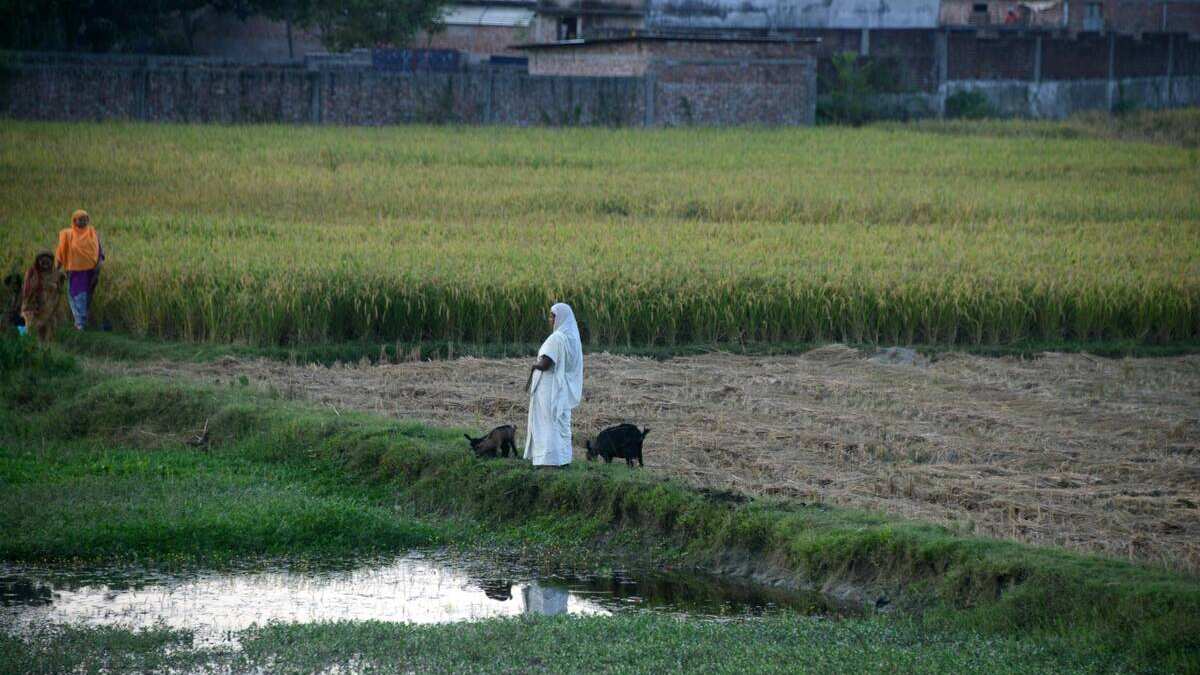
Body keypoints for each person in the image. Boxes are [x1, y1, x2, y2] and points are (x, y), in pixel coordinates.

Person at [524, 302, 584, 468]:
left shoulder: (556, 338)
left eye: (553, 316)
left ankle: (548, 460)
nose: (550, 319)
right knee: (560, 422)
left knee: (548, 422)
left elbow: (546, 364)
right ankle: (563, 459)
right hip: (562, 388)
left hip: (549, 388)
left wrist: (534, 365)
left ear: (561, 317)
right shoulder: (573, 338)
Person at [55, 209, 104, 331]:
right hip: (75, 271)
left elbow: (100, 250)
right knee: (77, 295)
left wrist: (99, 264)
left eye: (85, 219)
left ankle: (81, 322)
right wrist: (56, 267)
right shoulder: (68, 235)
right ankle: (80, 323)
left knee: (86, 295)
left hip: (91, 271)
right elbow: (61, 251)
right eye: (80, 219)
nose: (83, 221)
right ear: (74, 220)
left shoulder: (93, 233)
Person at [20, 252, 63, 342]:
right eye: (43, 262)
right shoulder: (32, 273)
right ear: (38, 262)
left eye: (48, 262)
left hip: (49, 311)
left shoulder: (56, 275)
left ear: (51, 262)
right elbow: (26, 294)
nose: (45, 264)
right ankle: (24, 343)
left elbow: (58, 294)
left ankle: (45, 350)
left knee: (49, 329)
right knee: (27, 328)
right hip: (33, 309)